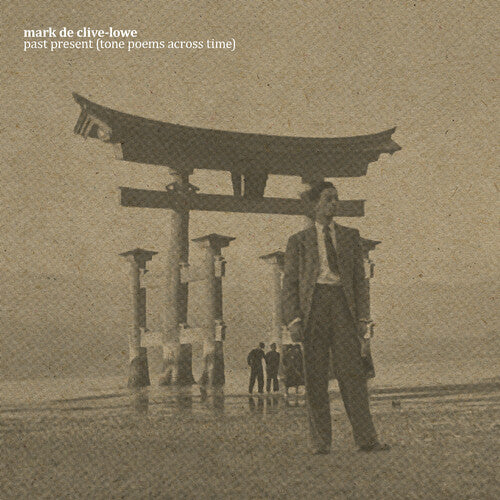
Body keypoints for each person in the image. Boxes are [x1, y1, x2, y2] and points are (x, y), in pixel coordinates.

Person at [282, 181, 390, 455]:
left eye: (336, 198)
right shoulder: (298, 241)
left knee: (352, 374)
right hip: (313, 309)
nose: (334, 203)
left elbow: (359, 281)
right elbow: (290, 284)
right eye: (328, 199)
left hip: (343, 306)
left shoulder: (350, 236)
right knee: (315, 377)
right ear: (314, 204)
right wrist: (293, 320)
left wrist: (363, 318)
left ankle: (366, 439)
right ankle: (320, 443)